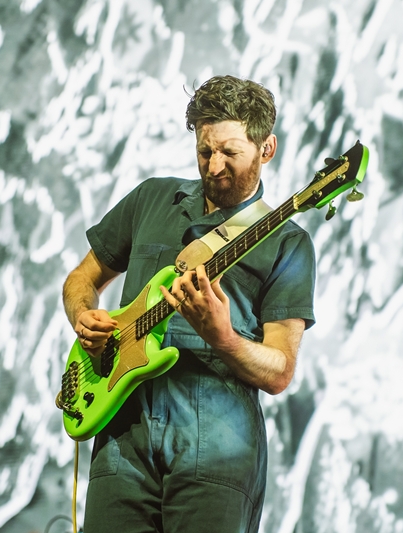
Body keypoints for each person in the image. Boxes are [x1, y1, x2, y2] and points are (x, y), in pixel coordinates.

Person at [62, 75, 316, 532]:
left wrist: (224, 338)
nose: (213, 166)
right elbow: (82, 278)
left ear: (267, 149)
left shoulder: (287, 243)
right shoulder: (151, 198)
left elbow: (280, 370)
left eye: (229, 152)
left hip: (217, 451)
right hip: (122, 439)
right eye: (204, 151)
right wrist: (83, 316)